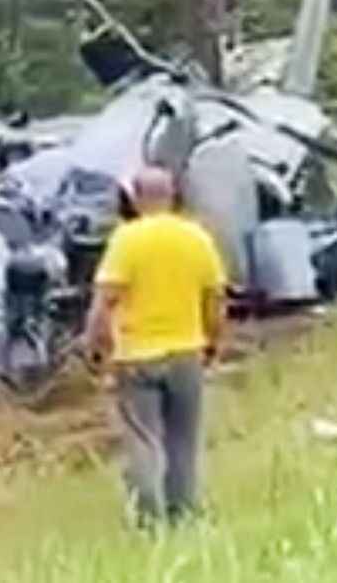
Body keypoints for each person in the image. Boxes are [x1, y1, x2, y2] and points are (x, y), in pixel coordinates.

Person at [86, 167, 227, 527]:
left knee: (143, 439)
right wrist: (212, 342)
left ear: (135, 198)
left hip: (136, 356)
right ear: (173, 195)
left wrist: (97, 347)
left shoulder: (126, 239)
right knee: (183, 440)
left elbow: (105, 302)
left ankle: (149, 520)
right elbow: (215, 300)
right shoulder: (197, 238)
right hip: (186, 352)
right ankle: (184, 514)